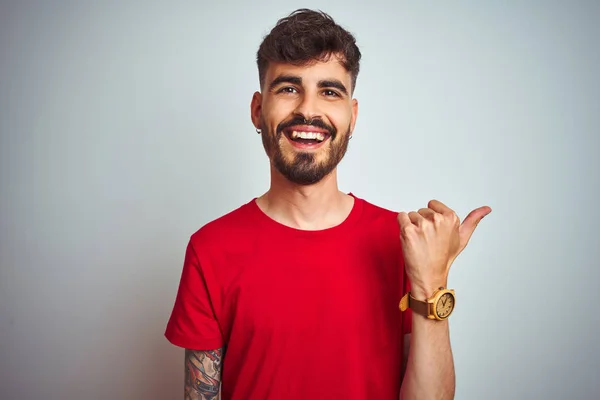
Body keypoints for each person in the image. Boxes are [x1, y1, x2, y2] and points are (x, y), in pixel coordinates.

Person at [165, 8, 491, 400]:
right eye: (288, 88)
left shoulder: (403, 242)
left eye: (330, 91)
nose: (308, 109)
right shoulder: (210, 249)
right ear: (257, 109)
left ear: (352, 117)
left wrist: (432, 281)